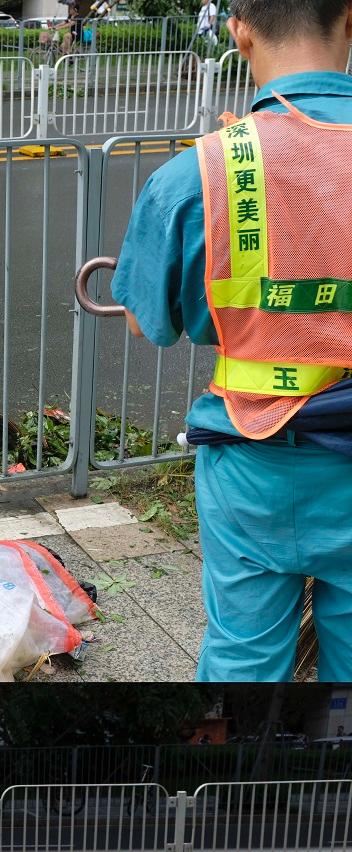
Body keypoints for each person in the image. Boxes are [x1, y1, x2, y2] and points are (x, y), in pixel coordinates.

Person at [110, 0, 352, 682]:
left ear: (239, 30)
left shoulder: (201, 172)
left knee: (243, 663)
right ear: (349, 19)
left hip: (253, 464)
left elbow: (147, 320)